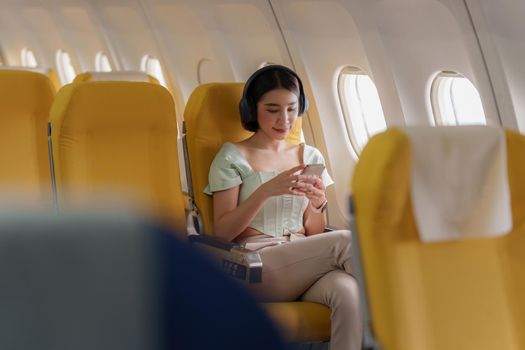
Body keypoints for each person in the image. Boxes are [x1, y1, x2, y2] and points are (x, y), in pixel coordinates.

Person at [204, 65, 362, 350]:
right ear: (252, 110)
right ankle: (402, 325)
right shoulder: (232, 156)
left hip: (303, 262)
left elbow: (314, 233)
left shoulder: (309, 155)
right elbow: (222, 233)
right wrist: (265, 191)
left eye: (291, 109)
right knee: (346, 239)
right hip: (254, 265)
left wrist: (317, 203)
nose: (284, 119)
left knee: (348, 292)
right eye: (273, 109)